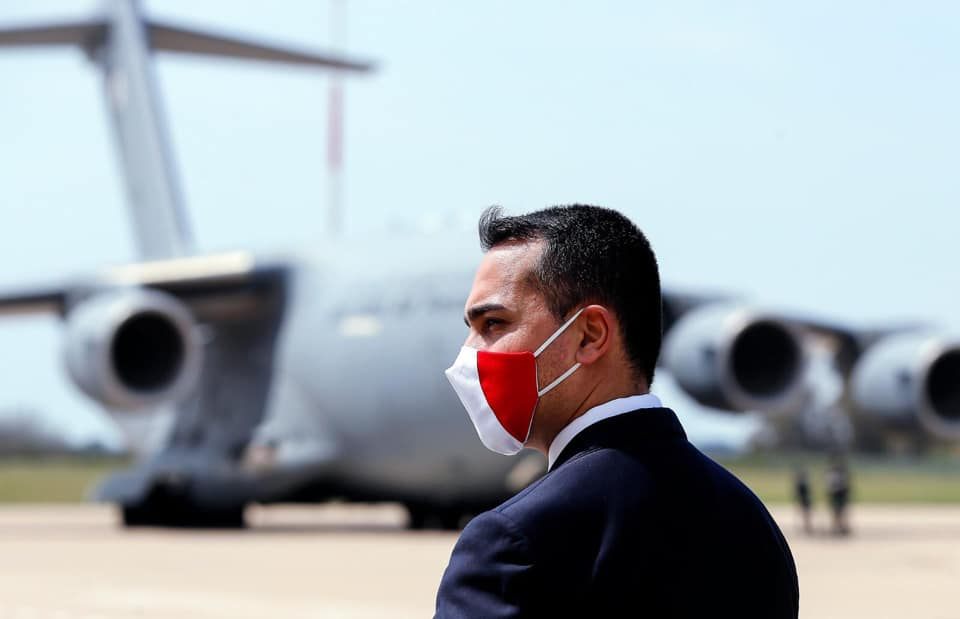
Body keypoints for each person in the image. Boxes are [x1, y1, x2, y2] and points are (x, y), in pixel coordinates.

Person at [436, 205, 799, 618]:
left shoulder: (515, 542)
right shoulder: (753, 525)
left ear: (590, 336)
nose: (469, 353)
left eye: (493, 324)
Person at [826, 455, 852, 536]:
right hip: (836, 495)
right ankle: (837, 527)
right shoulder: (833, 473)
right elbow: (831, 486)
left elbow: (845, 485)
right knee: (837, 512)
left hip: (840, 494)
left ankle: (841, 527)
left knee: (841, 512)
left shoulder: (839, 473)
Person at [793, 465, 814, 534]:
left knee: (806, 514)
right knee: (806, 514)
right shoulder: (802, 484)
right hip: (804, 500)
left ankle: (807, 526)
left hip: (804, 500)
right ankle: (807, 527)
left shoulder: (800, 484)